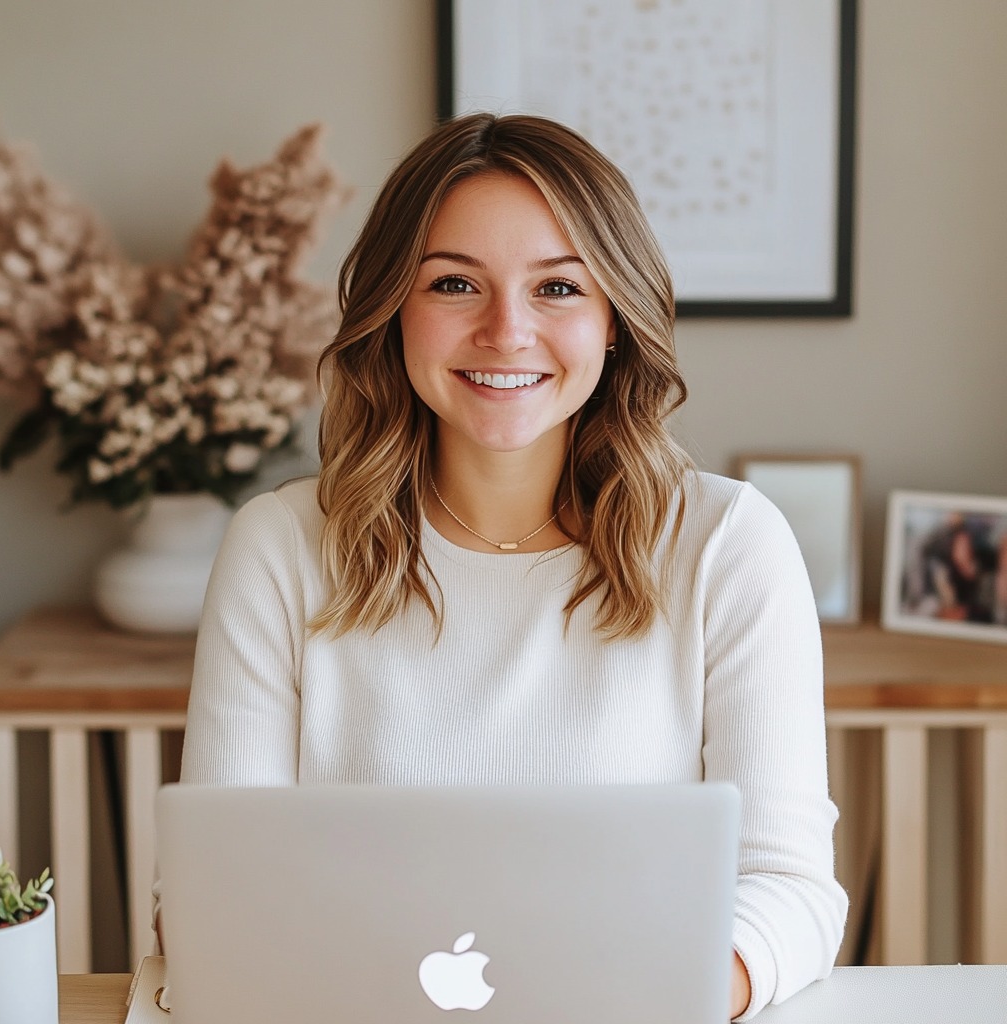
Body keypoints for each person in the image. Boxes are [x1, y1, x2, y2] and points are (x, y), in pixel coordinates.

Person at [167, 113, 847, 1020]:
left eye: (558, 288)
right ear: (392, 314)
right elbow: (216, 909)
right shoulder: (281, 548)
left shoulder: (729, 545)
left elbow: (789, 890)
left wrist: (632, 1001)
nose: (506, 330)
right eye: (454, 283)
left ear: (615, 320)